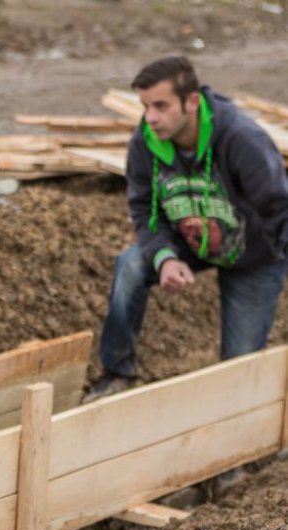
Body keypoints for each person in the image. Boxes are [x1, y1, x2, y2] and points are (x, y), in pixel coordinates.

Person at [85, 56, 288, 402]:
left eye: (161, 106)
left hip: (253, 254)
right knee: (132, 264)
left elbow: (280, 209)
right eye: (146, 106)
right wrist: (163, 257)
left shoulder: (241, 139)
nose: (151, 117)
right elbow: (142, 209)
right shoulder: (145, 143)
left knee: (237, 373)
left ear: (192, 101)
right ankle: (116, 374)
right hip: (189, 241)